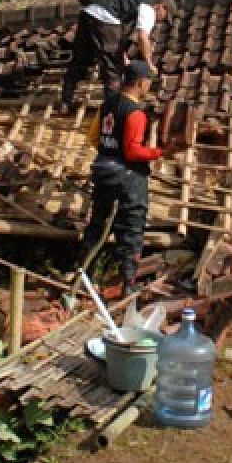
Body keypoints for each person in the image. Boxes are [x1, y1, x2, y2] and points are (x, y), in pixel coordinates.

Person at [81, 60, 181, 295]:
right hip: (128, 178)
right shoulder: (135, 113)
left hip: (104, 172)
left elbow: (93, 137)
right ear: (139, 83)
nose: (149, 87)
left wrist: (108, 152)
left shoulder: (106, 105)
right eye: (148, 83)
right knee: (132, 230)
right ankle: (129, 286)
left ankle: (84, 277)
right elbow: (133, 151)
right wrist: (160, 153)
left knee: (98, 225)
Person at [59, 0, 175, 111]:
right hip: (105, 18)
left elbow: (118, 35)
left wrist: (122, 53)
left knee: (80, 58)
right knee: (114, 68)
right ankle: (112, 109)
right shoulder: (148, 9)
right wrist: (149, 63)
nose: (160, 21)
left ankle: (66, 101)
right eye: (164, 17)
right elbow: (142, 37)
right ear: (162, 6)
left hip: (87, 14)